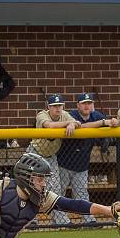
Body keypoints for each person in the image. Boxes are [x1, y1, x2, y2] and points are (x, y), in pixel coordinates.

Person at [56, 93, 119, 224]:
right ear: (78, 105)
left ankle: (88, 219)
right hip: (63, 162)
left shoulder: (96, 116)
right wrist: (103, 122)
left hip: (82, 164)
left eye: (89, 103)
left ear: (93, 105)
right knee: (59, 194)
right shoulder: (71, 115)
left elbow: (112, 123)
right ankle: (60, 221)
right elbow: (82, 126)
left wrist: (113, 122)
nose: (86, 106)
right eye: (84, 103)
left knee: (82, 194)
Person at [27, 94, 81, 225]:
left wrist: (73, 123)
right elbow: (49, 126)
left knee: (56, 188)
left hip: (51, 156)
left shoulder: (65, 115)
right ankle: (30, 220)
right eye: (54, 106)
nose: (58, 109)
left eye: (60, 106)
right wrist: (69, 123)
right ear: (48, 107)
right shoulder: (42, 114)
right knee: (31, 188)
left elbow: (78, 123)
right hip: (35, 153)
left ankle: (61, 221)